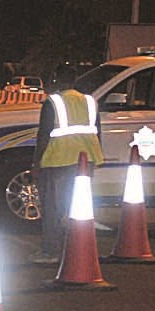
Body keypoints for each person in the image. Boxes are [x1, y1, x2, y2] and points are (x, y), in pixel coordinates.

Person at [31, 76, 103, 265]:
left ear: (56, 82)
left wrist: (36, 163)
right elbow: (97, 132)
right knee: (78, 208)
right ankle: (78, 251)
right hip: (85, 161)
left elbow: (43, 135)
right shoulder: (90, 101)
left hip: (58, 160)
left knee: (53, 208)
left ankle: (51, 251)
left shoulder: (53, 103)